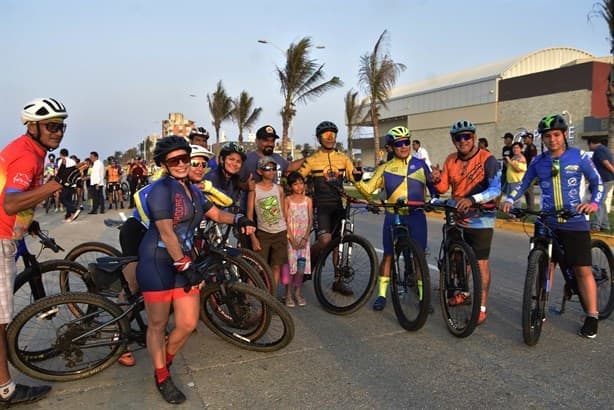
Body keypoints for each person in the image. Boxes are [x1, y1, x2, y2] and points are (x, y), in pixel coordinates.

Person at [137, 136, 255, 404]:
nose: (181, 164)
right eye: (174, 160)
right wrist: (185, 265)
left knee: (188, 323)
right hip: (157, 261)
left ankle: (164, 361)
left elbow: (215, 214)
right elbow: (167, 234)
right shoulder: (161, 190)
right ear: (164, 164)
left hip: (183, 261)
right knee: (157, 324)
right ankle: (162, 375)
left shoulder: (193, 190)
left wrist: (239, 218)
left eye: (184, 159)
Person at [0, 97, 84, 406]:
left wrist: (29, 224)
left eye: (61, 126)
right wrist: (55, 185)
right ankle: (5, 389)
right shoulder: (27, 156)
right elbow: (10, 203)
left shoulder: (26, 150)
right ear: (32, 126)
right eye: (51, 126)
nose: (58, 132)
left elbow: (11, 199)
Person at [502, 114, 603, 338]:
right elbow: (524, 183)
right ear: (543, 139)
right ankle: (540, 306)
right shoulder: (538, 162)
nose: (552, 140)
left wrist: (594, 203)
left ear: (564, 134)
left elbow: (598, 184)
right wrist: (510, 200)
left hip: (575, 222)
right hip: (546, 221)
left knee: (582, 270)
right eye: (547, 136)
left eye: (556, 135)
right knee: (544, 266)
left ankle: (592, 315)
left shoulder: (580, 157)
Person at [355, 126, 437, 311]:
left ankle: (424, 297)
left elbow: (435, 190)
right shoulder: (384, 168)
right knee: (389, 256)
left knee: (419, 259)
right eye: (399, 144)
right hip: (394, 216)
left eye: (407, 142)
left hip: (416, 216)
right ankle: (382, 295)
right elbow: (368, 190)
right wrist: (357, 180)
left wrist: (435, 194)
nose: (404, 146)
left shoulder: (421, 164)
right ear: (391, 146)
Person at [430, 119, 501, 325]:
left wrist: (472, 200)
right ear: (454, 141)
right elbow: (443, 187)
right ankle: (463, 292)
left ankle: (481, 307)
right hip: (457, 216)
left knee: (479, 264)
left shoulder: (488, 159)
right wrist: (435, 179)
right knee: (456, 259)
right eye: (458, 138)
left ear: (474, 137)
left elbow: (496, 189)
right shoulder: (450, 160)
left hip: (481, 218)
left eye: (467, 136)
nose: (463, 141)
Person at [298, 121, 363, 295]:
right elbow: (296, 180)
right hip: (321, 206)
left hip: (338, 206)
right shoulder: (312, 160)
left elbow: (353, 176)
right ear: (319, 138)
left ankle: (338, 280)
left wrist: (358, 174)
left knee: (338, 243)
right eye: (326, 135)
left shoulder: (343, 158)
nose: (329, 138)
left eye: (332, 135)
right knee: (325, 240)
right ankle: (307, 264)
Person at [248, 156, 288, 297]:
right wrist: (253, 238)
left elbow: (283, 212)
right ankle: (247, 296)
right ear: (260, 171)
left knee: (276, 266)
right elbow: (249, 217)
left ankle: (272, 296)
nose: (271, 171)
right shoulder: (254, 190)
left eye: (273, 168)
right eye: (267, 168)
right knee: (258, 266)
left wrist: (288, 232)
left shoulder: (279, 189)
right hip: (263, 234)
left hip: (280, 232)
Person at [283, 171, 313, 307]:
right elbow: (285, 220)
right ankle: (288, 295)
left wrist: (305, 237)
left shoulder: (308, 200)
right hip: (291, 238)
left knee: (301, 268)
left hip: (303, 240)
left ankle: (297, 292)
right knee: (290, 267)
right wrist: (291, 238)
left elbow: (311, 219)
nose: (299, 187)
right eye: (295, 184)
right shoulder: (287, 200)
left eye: (301, 183)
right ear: (290, 186)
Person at [205, 142, 246, 208]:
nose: (235, 164)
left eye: (238, 161)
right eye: (231, 159)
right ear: (222, 159)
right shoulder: (210, 179)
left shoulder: (235, 181)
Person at [588, 138, 614, 232]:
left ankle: (596, 225)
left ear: (591, 143)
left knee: (597, 200)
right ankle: (605, 224)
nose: (590, 148)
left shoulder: (599, 150)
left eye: (589, 146)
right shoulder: (605, 149)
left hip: (604, 180)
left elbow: (606, 163)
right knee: (601, 202)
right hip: (608, 179)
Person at [58, 148, 81, 222]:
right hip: (72, 183)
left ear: (61, 154)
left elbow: (60, 173)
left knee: (62, 198)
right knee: (69, 199)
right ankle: (68, 217)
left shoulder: (61, 161)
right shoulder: (73, 161)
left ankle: (74, 210)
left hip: (65, 183)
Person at [521, 132, 538, 209]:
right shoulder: (527, 147)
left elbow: (533, 160)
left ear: (530, 138)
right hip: (526, 171)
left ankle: (531, 208)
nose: (524, 139)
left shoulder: (532, 147)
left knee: (529, 190)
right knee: (526, 190)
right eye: (523, 138)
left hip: (529, 171)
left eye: (525, 138)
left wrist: (529, 171)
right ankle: (529, 207)